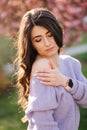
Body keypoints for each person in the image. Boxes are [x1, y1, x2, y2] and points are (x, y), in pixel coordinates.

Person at [15, 7, 87, 130]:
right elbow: (43, 125)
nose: (47, 43)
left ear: (56, 31)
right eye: (38, 40)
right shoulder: (42, 72)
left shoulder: (71, 63)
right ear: (32, 45)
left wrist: (65, 81)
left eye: (50, 35)